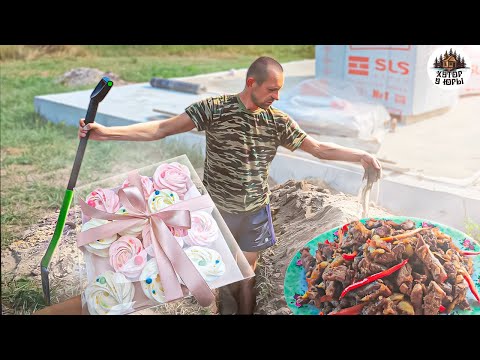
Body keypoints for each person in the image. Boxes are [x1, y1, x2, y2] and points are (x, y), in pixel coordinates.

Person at [38, 56, 381, 315]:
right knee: (216, 274)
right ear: (251, 83)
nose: (277, 96)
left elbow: (319, 149)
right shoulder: (214, 109)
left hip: (256, 212)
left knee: (246, 274)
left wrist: (361, 156)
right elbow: (161, 129)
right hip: (215, 211)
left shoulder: (278, 122)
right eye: (271, 89)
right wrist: (107, 132)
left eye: (279, 90)